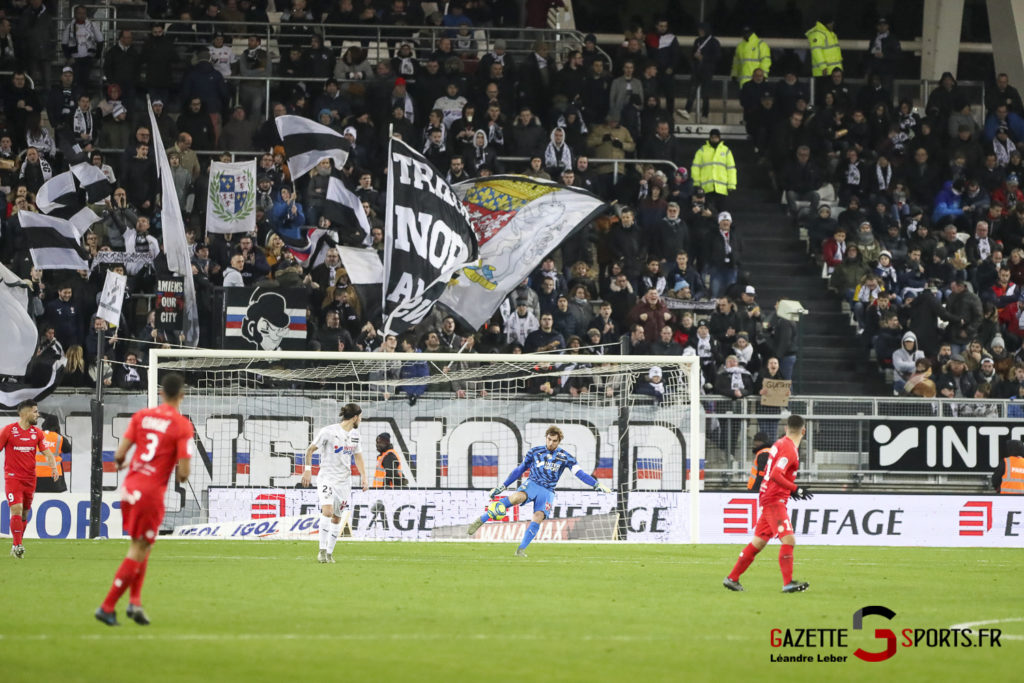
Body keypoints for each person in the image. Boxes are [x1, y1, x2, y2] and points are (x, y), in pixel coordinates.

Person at [95, 374, 193, 626]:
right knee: (138, 548)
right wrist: (177, 470)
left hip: (129, 489)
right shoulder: (182, 426)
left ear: (161, 394)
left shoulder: (142, 417)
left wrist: (126, 462)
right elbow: (183, 473)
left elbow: (118, 456)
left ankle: (134, 602)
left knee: (142, 546)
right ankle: (107, 606)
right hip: (149, 494)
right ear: (181, 396)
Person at [465, 425, 612, 556]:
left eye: (554, 441)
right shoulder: (535, 452)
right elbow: (519, 470)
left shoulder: (566, 457)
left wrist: (596, 485)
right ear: (546, 438)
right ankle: (482, 519)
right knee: (517, 497)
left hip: (548, 491)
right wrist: (502, 486)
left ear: (559, 441)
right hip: (532, 484)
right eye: (549, 439)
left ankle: (521, 549)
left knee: (538, 516)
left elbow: (580, 474)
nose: (550, 443)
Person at [723, 414, 812, 593]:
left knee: (759, 542)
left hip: (769, 496)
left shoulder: (779, 443)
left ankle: (732, 578)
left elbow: (775, 474)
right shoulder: (789, 449)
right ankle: (788, 583)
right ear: (804, 431)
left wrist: (788, 490)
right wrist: (795, 488)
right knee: (788, 539)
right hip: (774, 500)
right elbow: (776, 474)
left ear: (786, 429)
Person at [300, 403, 368, 564]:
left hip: (344, 481)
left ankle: (330, 552)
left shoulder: (355, 435)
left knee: (337, 518)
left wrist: (364, 476)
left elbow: (358, 456)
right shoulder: (328, 432)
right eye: (361, 417)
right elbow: (310, 450)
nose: (361, 420)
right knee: (328, 512)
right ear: (355, 417)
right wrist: (308, 470)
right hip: (327, 478)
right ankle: (321, 550)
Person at [1, 400, 58, 558]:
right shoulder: (8, 431)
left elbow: (47, 453)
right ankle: (19, 545)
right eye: (35, 411)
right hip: (13, 478)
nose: (37, 415)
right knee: (16, 509)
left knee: (25, 514)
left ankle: (16, 544)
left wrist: (53, 468)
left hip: (30, 479)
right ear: (25, 413)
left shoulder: (37, 433)